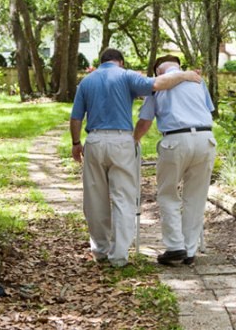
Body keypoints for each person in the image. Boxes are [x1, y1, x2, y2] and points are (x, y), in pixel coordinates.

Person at [70, 48, 201, 267]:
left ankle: (100, 250)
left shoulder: (86, 82)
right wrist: (186, 75)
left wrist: (76, 143)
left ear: (101, 62)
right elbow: (158, 84)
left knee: (94, 198)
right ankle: (119, 256)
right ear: (120, 62)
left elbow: (75, 117)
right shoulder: (127, 75)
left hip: (94, 140)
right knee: (123, 197)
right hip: (122, 140)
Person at [133, 55, 216, 266]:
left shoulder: (158, 85)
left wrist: (132, 141)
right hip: (206, 139)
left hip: (175, 140)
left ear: (158, 72)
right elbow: (208, 110)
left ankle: (175, 246)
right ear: (178, 66)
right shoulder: (198, 81)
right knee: (196, 197)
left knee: (168, 193)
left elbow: (145, 121)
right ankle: (190, 250)